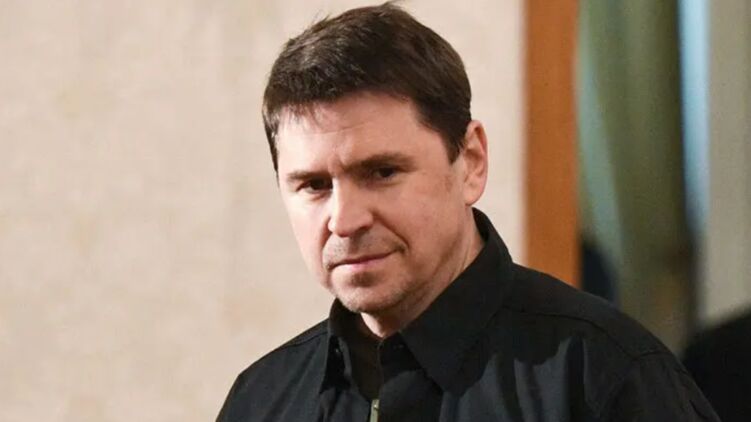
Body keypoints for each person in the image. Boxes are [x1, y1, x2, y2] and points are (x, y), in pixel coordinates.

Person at [217, 3, 719, 421]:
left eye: (383, 172)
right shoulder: (261, 401)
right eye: (314, 185)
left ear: (471, 162)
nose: (345, 221)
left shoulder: (604, 377)